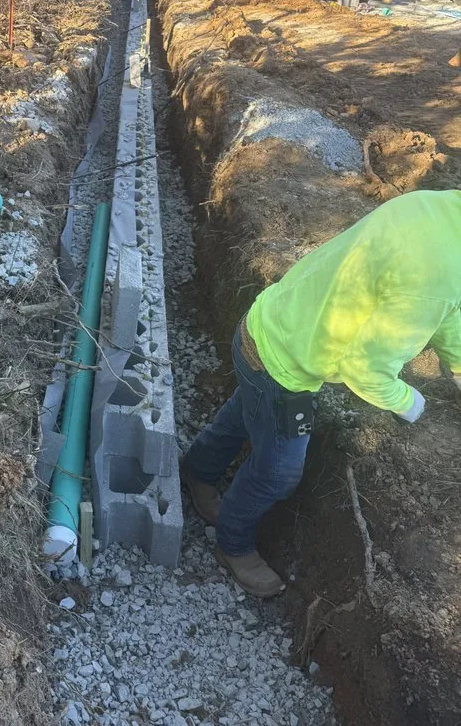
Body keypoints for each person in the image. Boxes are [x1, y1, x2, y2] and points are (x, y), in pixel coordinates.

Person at [180, 189, 461, 598]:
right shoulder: (435, 279)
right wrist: (412, 404)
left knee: (247, 411)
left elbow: (448, 308)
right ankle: (232, 545)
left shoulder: (435, 208)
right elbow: (365, 371)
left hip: (267, 323)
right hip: (284, 365)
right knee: (278, 474)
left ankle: (198, 470)